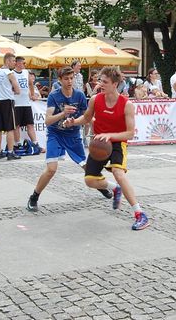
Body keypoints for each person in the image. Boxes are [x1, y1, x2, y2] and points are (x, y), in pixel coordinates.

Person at [65, 66, 150, 231]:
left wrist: (110, 135)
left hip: (117, 142)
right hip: (100, 143)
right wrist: (73, 122)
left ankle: (140, 214)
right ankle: (114, 189)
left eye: (104, 81)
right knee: (90, 180)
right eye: (100, 80)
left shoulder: (127, 104)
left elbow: (130, 133)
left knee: (119, 173)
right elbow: (87, 118)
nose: (100, 84)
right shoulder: (95, 99)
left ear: (115, 84)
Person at [27, 67, 113, 211]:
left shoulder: (79, 95)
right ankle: (34, 197)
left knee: (87, 166)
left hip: (73, 135)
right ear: (60, 80)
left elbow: (87, 116)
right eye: (66, 79)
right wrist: (62, 114)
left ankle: (100, 187)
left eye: (71, 78)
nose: (69, 81)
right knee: (51, 170)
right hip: (56, 134)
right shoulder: (54, 96)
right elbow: (48, 121)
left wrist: (99, 126)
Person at [12, 56, 44, 153]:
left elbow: (30, 83)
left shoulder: (26, 72)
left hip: (26, 103)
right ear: (17, 63)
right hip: (16, 103)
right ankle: (17, 144)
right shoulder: (12, 73)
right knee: (16, 126)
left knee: (30, 124)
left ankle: (35, 143)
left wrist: (32, 94)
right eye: (23, 63)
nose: (24, 65)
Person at [0, 53, 21, 160]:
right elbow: (18, 90)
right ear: (8, 61)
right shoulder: (9, 73)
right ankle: (10, 152)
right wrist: (13, 90)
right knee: (10, 128)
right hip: (8, 101)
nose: (15, 63)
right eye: (13, 61)